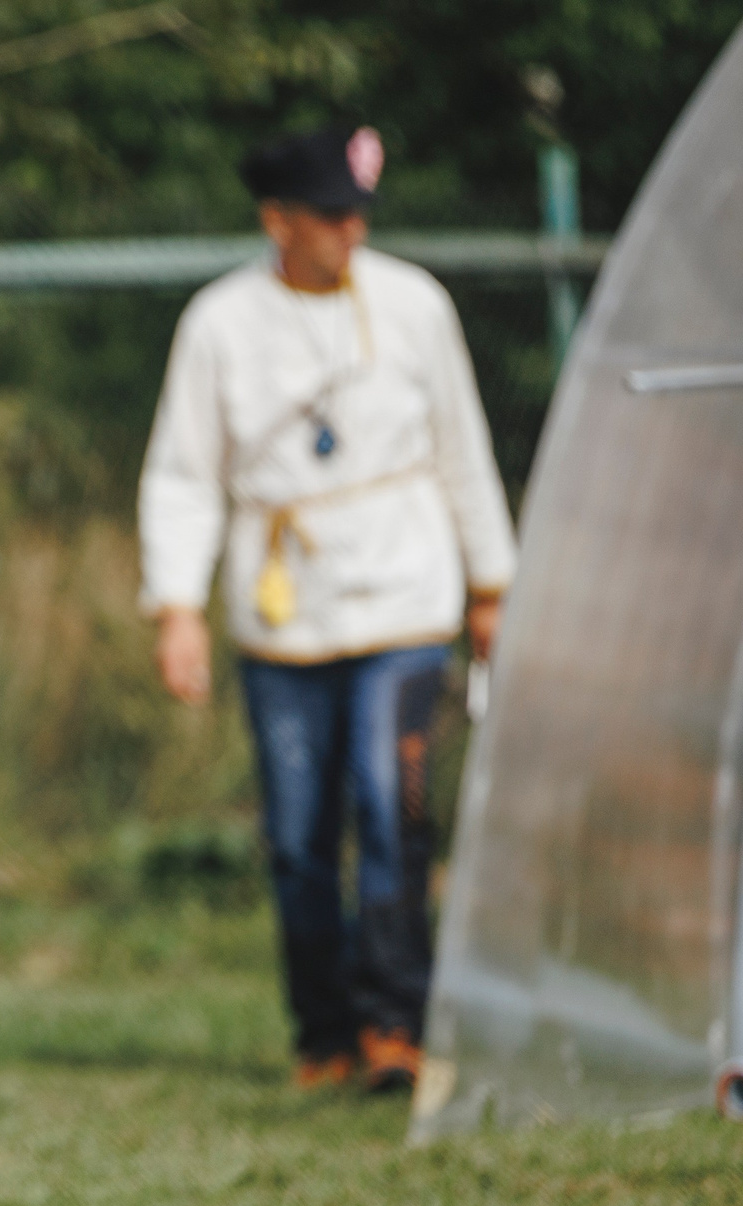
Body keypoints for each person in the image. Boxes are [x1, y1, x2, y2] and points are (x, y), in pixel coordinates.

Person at [139, 124, 516, 1095]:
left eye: (358, 214)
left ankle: (398, 1023)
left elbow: (460, 446)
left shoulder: (413, 305)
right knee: (302, 838)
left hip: (404, 597)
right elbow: (184, 474)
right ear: (278, 221)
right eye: (330, 216)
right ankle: (324, 1032)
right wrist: (174, 606)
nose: (350, 231)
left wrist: (490, 584)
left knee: (393, 813)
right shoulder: (219, 322)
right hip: (284, 614)